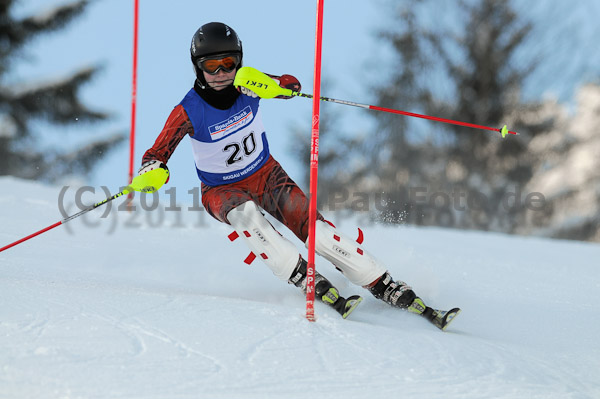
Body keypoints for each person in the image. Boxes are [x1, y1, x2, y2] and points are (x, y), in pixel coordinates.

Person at [138, 22, 459, 329]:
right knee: (247, 216)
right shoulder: (188, 110)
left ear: (239, 62)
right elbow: (157, 154)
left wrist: (275, 85)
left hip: (266, 175)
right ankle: (302, 275)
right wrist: (153, 170)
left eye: (229, 63)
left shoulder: (247, 85)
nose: (221, 73)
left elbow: (291, 86)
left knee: (317, 232)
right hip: (221, 189)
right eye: (212, 66)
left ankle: (383, 283)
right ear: (198, 68)